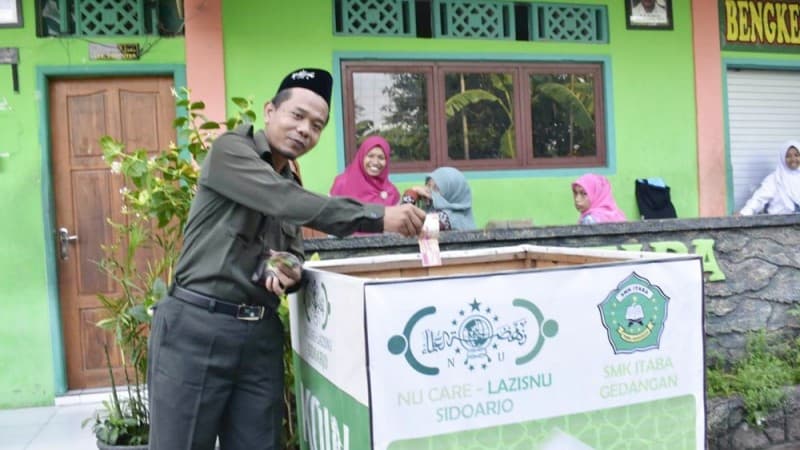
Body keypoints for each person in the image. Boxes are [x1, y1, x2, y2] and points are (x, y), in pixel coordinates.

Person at [146, 68, 425, 450]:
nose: (305, 130)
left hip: (258, 336)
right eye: (297, 115)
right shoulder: (231, 150)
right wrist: (378, 215)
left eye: (317, 125)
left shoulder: (291, 183)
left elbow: (292, 250)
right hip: (198, 327)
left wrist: (288, 268)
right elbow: (281, 200)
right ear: (269, 111)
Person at [329, 135, 400, 206]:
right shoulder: (342, 184)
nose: (375, 162)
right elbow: (330, 213)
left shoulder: (391, 192)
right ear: (361, 156)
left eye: (381, 158)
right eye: (370, 156)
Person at [401, 166, 477, 231]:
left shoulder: (453, 218)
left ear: (451, 193)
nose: (428, 191)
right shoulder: (430, 211)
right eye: (428, 186)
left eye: (436, 189)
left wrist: (411, 192)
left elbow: (409, 223)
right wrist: (413, 192)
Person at [737, 140, 800, 216]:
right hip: (780, 224)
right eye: (788, 156)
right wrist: (743, 213)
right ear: (782, 158)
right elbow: (759, 198)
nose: (793, 159)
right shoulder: (774, 179)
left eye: (796, 155)